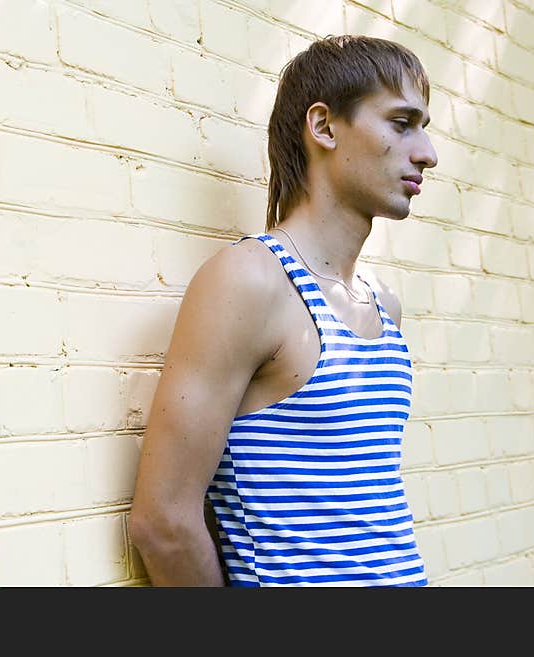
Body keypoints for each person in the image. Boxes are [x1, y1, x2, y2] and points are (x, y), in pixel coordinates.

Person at [128, 34, 438, 586]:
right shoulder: (250, 282)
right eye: (400, 123)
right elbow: (164, 522)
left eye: (424, 128)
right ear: (323, 127)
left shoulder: (383, 304)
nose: (427, 154)